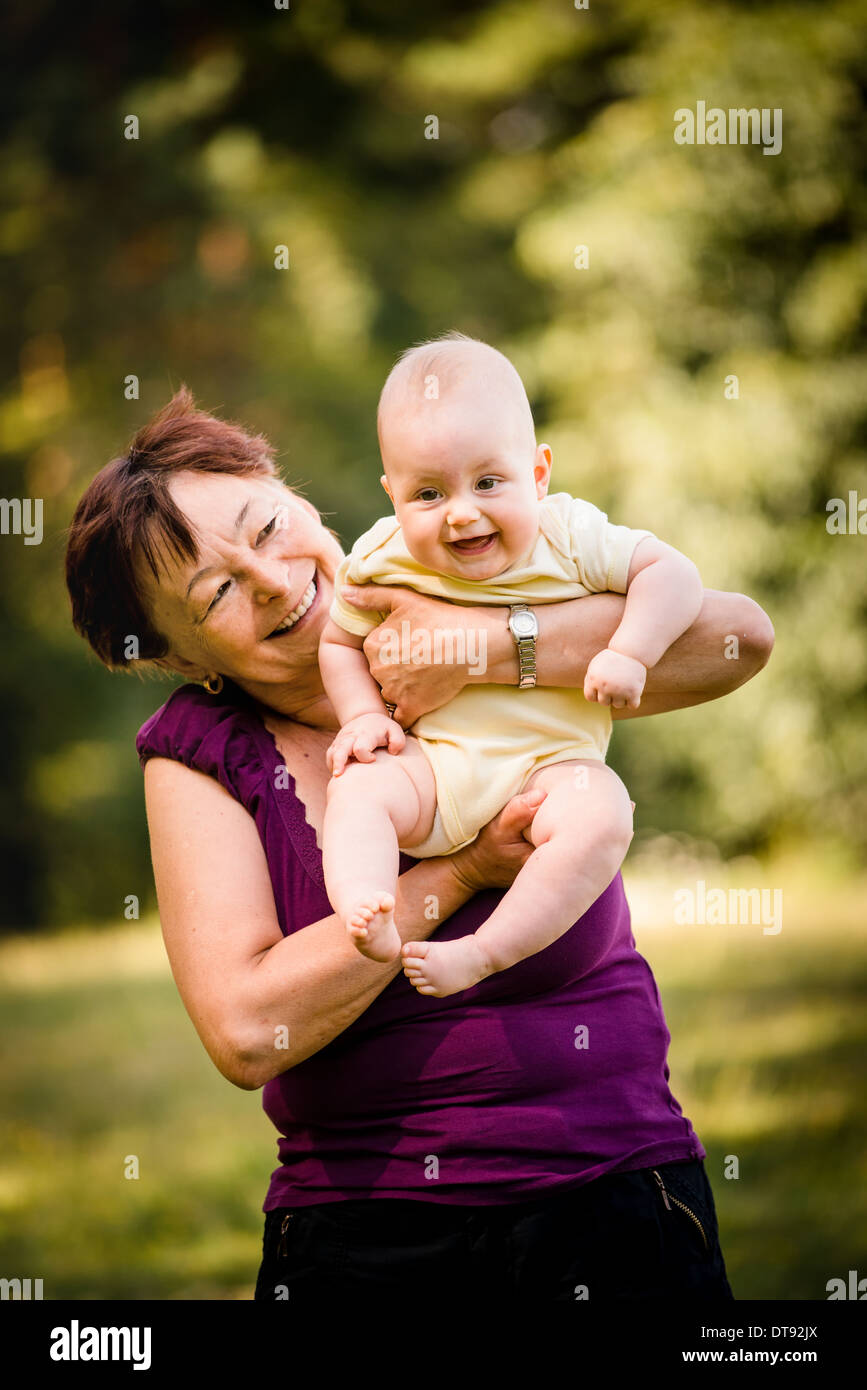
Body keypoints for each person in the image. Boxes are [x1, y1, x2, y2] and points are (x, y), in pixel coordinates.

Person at [65, 386, 773, 1302]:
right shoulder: (198, 756)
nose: (275, 580)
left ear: (295, 494)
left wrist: (485, 650)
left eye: (267, 527)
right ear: (183, 656)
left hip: (608, 1187)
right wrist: (463, 872)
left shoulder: (459, 567)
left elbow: (736, 640)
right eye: (219, 592)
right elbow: (244, 1031)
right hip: (365, 1233)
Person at [320, 334, 706, 997]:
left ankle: (484, 952)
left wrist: (628, 651)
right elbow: (338, 640)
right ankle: (366, 908)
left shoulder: (568, 536)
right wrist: (358, 716)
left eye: (488, 482)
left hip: (551, 769)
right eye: (428, 494)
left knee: (604, 814)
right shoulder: (381, 555)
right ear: (391, 495)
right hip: (435, 770)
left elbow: (673, 574)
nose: (461, 512)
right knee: (358, 788)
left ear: (537, 473)